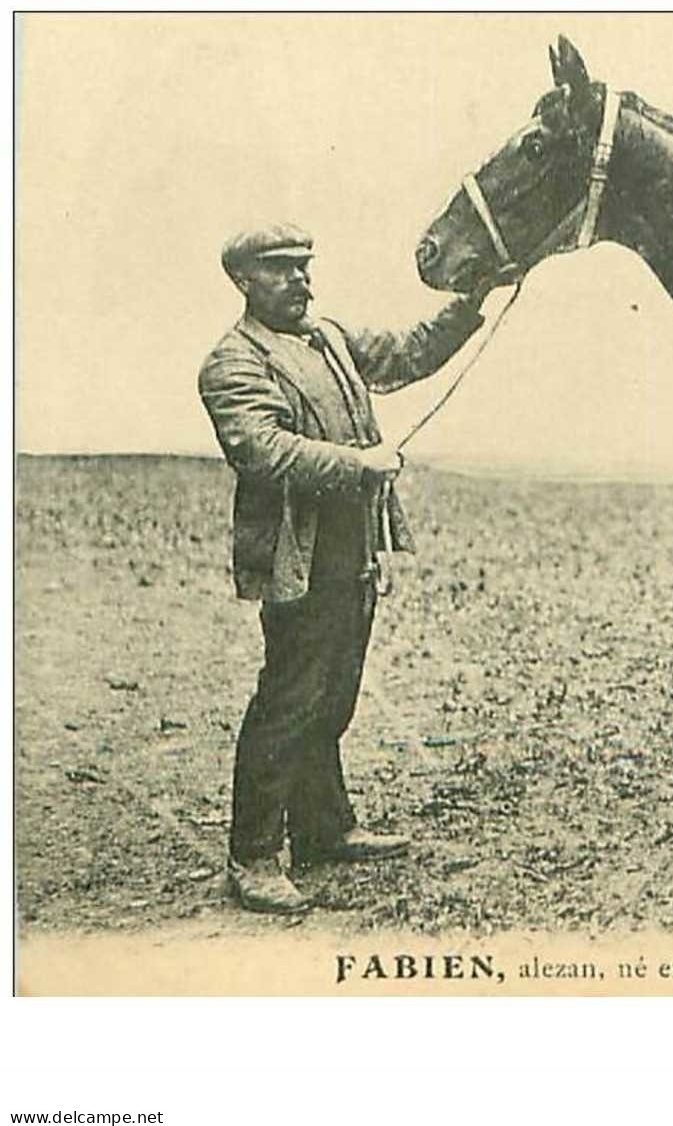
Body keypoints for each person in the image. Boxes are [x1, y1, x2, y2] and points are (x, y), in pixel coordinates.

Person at [199, 222, 500, 913]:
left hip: (353, 551)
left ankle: (324, 829)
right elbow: (265, 452)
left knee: (333, 696)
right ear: (243, 281)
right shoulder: (232, 362)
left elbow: (406, 353)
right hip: (298, 559)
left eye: (304, 266)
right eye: (281, 270)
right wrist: (361, 464)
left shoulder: (327, 337)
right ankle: (251, 858)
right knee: (289, 699)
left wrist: (470, 301)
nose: (301, 280)